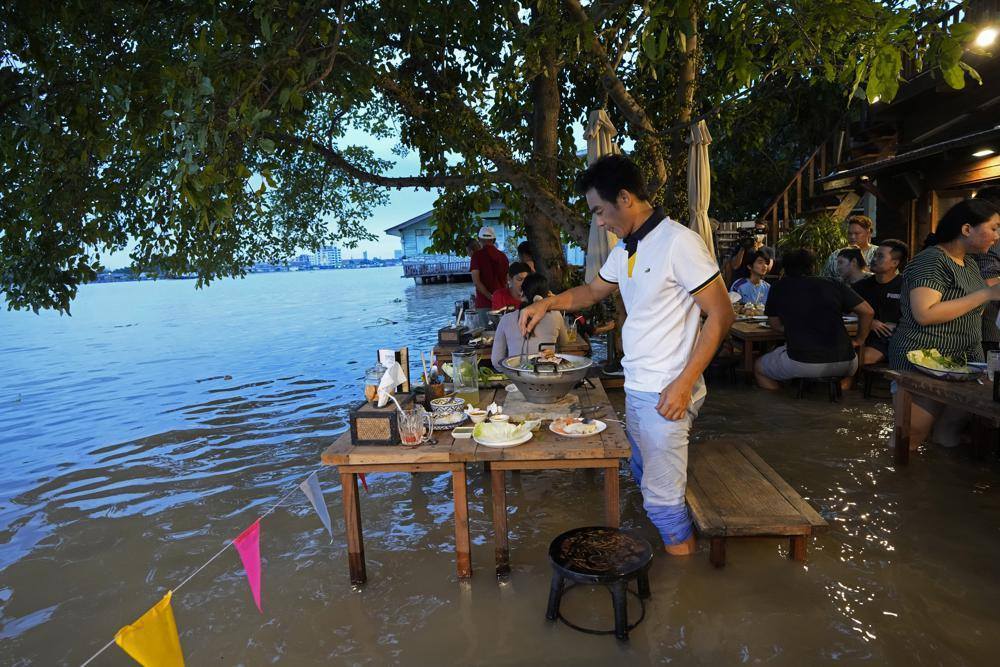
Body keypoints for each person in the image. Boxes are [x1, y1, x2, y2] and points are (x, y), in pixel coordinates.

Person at [519, 154, 735, 556]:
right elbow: (593, 292)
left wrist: (684, 384)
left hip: (668, 390)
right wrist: (546, 304)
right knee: (642, 473)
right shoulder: (627, 249)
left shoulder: (679, 242)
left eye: (600, 211)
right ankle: (678, 558)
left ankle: (684, 598)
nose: (599, 222)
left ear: (625, 197)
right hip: (639, 387)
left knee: (663, 502)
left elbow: (722, 313)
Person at [888, 198, 1000, 449]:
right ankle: (897, 486)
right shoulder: (931, 260)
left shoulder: (968, 262)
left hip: (962, 363)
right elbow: (924, 314)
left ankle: (933, 484)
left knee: (948, 434)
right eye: (993, 228)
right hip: (922, 359)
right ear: (966, 229)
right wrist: (986, 294)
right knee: (911, 438)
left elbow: (968, 305)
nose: (997, 236)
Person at [755, 249, 874, 388]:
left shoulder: (779, 287)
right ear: (812, 267)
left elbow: (775, 324)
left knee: (758, 367)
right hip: (847, 361)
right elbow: (868, 312)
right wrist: (859, 340)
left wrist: (797, 330)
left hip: (803, 361)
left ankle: (784, 404)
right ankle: (840, 401)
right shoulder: (833, 283)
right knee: (845, 375)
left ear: (785, 268)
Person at [491, 273, 569, 368]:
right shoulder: (556, 315)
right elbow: (564, 343)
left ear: (522, 293)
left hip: (518, 377)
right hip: (549, 375)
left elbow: (496, 361)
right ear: (548, 294)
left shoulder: (506, 319)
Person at [852, 239, 909, 365]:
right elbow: (845, 311)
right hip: (859, 336)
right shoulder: (860, 286)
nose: (873, 259)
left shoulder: (907, 287)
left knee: (853, 359)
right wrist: (869, 322)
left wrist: (898, 327)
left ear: (894, 263)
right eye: (875, 254)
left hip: (891, 341)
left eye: (880, 256)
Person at [971, 186, 1000, 355]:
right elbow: (989, 278)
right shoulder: (991, 237)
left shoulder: (992, 236)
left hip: (988, 326)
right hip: (988, 326)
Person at [822, 215, 877, 279]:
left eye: (857, 233)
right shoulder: (836, 255)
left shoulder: (877, 253)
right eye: (849, 233)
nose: (852, 237)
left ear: (868, 233)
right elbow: (824, 279)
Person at [469, 226, 510, 314]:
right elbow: (507, 280)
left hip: (484, 304)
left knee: (485, 328)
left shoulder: (476, 256)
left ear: (479, 239)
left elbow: (476, 282)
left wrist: (491, 297)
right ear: (494, 239)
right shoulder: (503, 256)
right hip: (502, 302)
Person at [725, 221, 768, 285]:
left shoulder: (767, 250)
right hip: (739, 283)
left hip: (756, 285)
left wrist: (756, 248)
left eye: (760, 231)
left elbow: (766, 270)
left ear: (765, 234)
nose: (757, 233)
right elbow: (735, 266)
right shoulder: (739, 247)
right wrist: (743, 247)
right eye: (755, 230)